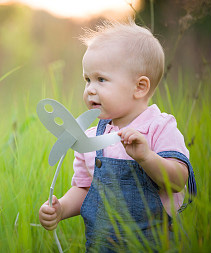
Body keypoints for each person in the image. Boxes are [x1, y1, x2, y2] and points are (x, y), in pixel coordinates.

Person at [38, 19, 197, 252]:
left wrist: (147, 157)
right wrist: (61, 208)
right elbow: (84, 189)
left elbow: (178, 180)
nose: (90, 89)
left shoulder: (159, 127)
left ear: (140, 87)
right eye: (87, 80)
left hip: (152, 244)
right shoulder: (89, 138)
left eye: (101, 79)